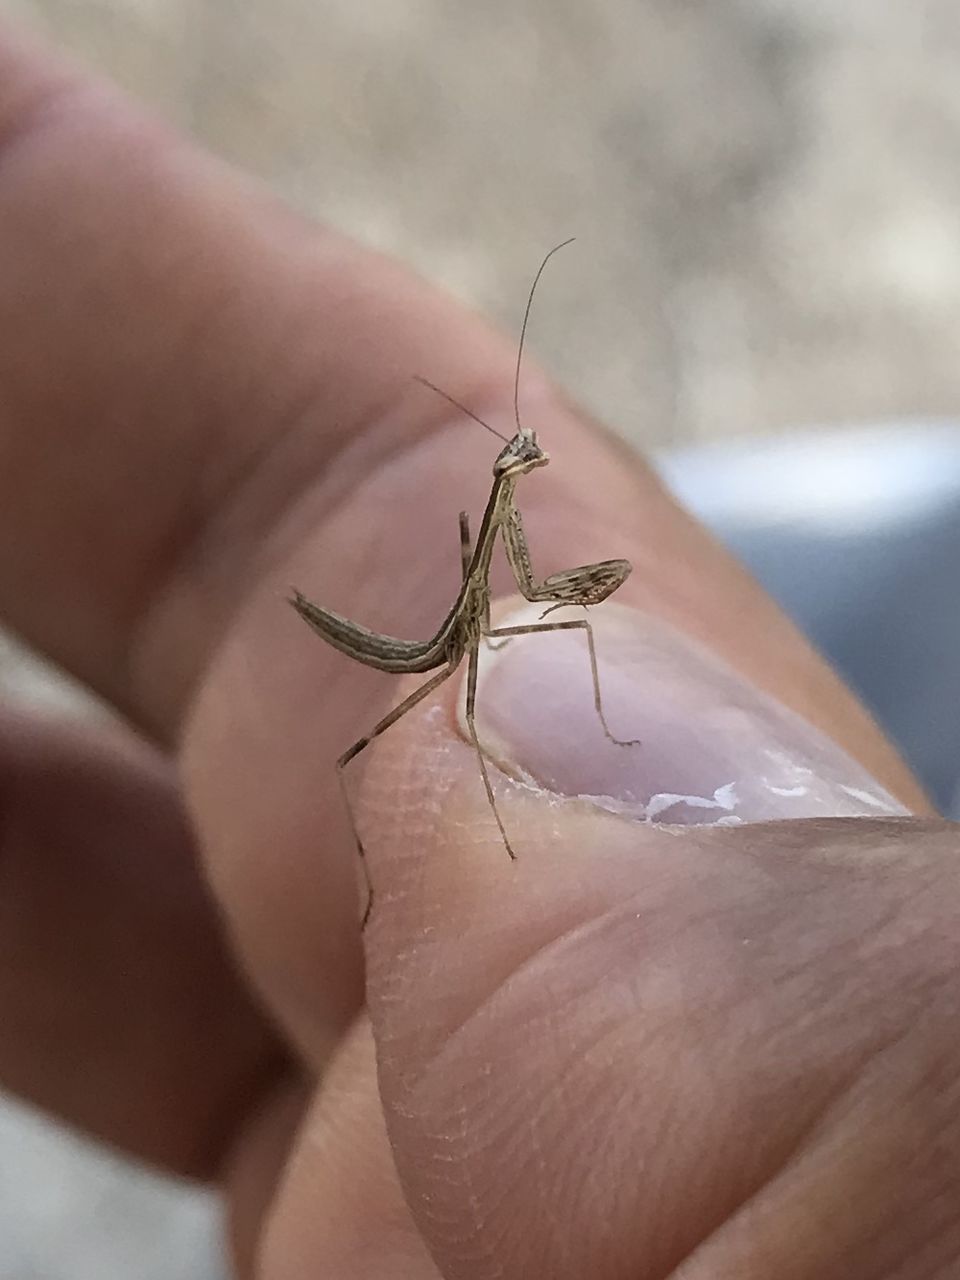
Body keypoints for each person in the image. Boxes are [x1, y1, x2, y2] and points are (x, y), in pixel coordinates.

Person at [0, 23, 954, 1279]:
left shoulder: (516, 535)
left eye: (518, 460)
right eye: (514, 465)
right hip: (422, 649)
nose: (525, 469)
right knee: (389, 730)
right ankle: (534, 788)